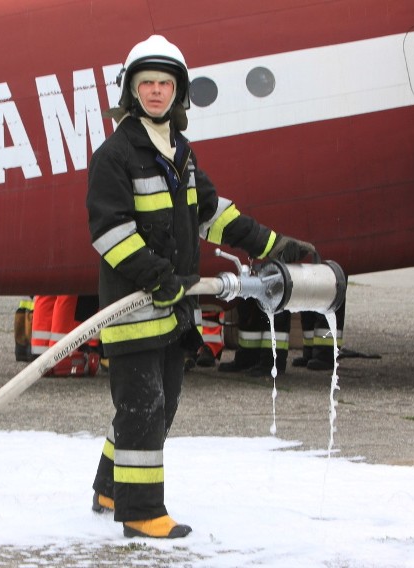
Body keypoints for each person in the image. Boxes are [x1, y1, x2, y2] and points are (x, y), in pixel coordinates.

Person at [86, 34, 316, 539]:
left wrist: (274, 245)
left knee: (158, 405)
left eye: (165, 83)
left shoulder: (180, 152)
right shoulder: (116, 155)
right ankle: (141, 511)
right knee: (143, 408)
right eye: (146, 83)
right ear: (130, 90)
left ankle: (110, 487)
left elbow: (211, 214)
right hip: (134, 309)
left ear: (178, 92)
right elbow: (110, 233)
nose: (155, 92)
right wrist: (159, 277)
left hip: (172, 309)